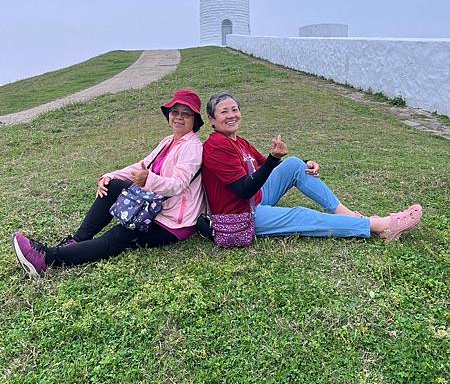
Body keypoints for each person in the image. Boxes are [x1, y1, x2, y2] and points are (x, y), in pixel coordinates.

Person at [12, 89, 206, 278]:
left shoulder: (192, 148)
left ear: (194, 120)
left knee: (120, 235)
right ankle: (76, 241)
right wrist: (110, 175)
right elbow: (141, 165)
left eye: (186, 114)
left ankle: (47, 259)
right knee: (111, 185)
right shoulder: (168, 141)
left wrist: (149, 179)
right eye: (175, 112)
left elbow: (178, 185)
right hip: (156, 207)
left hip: (173, 222)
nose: (179, 117)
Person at [202, 92, 423, 242]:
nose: (232, 115)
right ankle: (378, 225)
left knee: (295, 164)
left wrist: (306, 163)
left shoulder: (237, 141)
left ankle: (347, 214)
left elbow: (264, 166)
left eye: (235, 109)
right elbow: (243, 189)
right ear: (212, 119)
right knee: (300, 215)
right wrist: (272, 158)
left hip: (253, 200)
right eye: (224, 112)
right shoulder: (216, 146)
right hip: (239, 214)